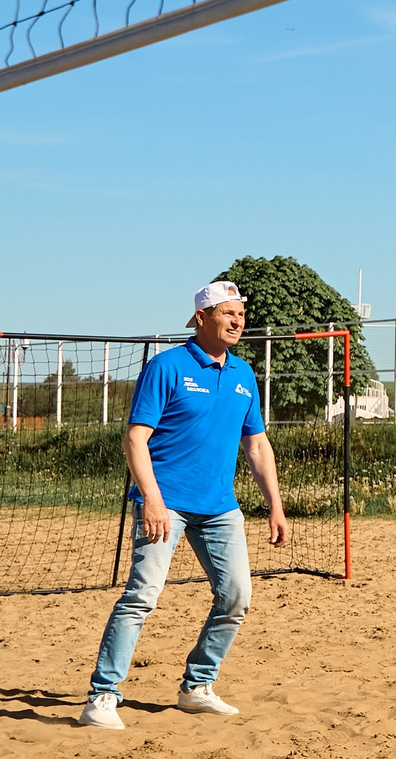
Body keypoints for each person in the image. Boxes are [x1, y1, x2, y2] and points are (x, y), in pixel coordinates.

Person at [77, 281, 287, 729]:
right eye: (227, 313)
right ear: (200, 318)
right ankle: (102, 696)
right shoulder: (167, 366)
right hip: (164, 503)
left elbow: (256, 444)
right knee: (142, 597)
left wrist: (276, 505)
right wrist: (150, 498)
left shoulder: (243, 374)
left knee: (236, 598)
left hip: (220, 507)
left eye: (241, 315)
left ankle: (197, 687)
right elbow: (136, 438)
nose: (237, 321)